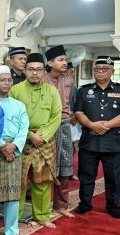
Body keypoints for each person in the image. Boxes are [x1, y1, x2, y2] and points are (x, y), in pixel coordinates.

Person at [74, 56, 120, 219]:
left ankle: (113, 205)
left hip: (112, 143)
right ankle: (85, 204)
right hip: (89, 142)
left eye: (104, 69)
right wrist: (92, 126)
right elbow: (78, 112)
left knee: (113, 178)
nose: (100, 71)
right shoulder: (84, 90)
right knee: (86, 176)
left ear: (112, 71)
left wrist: (104, 126)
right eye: (97, 69)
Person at [10, 53, 62, 228]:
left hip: (45, 142)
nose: (34, 73)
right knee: (19, 182)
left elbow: (56, 117)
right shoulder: (15, 90)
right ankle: (13, 218)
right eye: (31, 69)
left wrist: (43, 136)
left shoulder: (52, 91)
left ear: (43, 71)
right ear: (24, 70)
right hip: (21, 141)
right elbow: (12, 118)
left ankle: (42, 216)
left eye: (39, 70)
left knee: (43, 181)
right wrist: (29, 135)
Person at [0, 65, 29, 235]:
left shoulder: (18, 105)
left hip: (14, 152)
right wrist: (2, 147)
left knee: (13, 193)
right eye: (2, 80)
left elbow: (24, 129)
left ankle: (11, 230)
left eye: (9, 80)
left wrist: (13, 146)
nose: (6, 83)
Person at [43, 45, 75, 218]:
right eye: (60, 60)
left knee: (65, 165)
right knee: (47, 167)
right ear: (50, 62)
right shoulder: (42, 79)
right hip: (47, 126)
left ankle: (61, 205)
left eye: (65, 59)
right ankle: (43, 207)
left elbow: (69, 102)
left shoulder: (69, 79)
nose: (64, 62)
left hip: (64, 125)